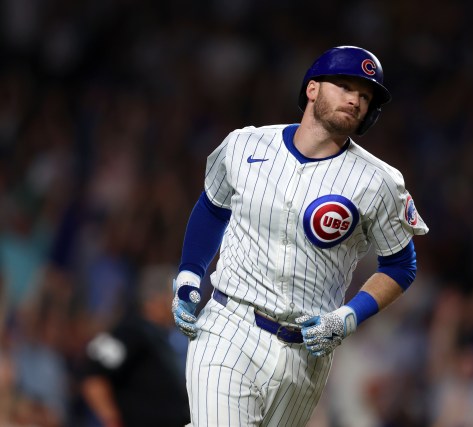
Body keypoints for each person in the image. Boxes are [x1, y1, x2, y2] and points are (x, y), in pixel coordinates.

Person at [172, 45, 429, 427]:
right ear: (312, 89)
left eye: (364, 96)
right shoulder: (245, 144)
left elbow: (401, 265)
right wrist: (190, 273)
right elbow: (213, 206)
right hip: (230, 325)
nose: (355, 99)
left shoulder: (379, 182)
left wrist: (347, 318)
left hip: (306, 351)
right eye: (345, 86)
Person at [82, 264, 190, 427]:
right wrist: (113, 420)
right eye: (174, 295)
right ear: (156, 297)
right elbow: (92, 374)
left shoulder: (160, 337)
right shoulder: (131, 331)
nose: (180, 303)